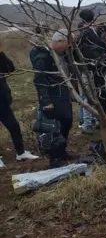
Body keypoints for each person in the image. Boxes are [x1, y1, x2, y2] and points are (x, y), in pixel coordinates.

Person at [31, 30, 73, 168]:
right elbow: (39, 81)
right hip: (53, 99)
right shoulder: (44, 58)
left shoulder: (64, 55)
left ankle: (62, 152)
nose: (70, 46)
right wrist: (46, 101)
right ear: (59, 42)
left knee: (67, 123)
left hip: (64, 97)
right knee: (54, 129)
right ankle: (54, 159)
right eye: (68, 42)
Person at [0, 45, 39, 164]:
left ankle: (21, 153)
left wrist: (1, 54)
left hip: (2, 101)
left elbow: (10, 68)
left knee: (14, 126)